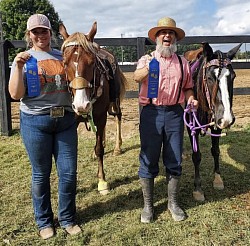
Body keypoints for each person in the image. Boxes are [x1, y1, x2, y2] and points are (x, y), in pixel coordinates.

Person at [8, 13, 81, 239]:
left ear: (50, 33)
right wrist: (18, 68)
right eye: (35, 31)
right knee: (41, 174)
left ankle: (67, 218)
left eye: (44, 30)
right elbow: (15, 94)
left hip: (65, 122)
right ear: (29, 35)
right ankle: (44, 221)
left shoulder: (63, 56)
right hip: (35, 122)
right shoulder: (23, 58)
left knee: (68, 174)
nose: (40, 35)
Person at [134, 17, 198, 223]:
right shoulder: (146, 59)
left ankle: (172, 203)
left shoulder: (182, 63)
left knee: (174, 158)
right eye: (163, 33)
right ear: (157, 38)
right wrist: (150, 67)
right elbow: (136, 77)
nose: (167, 36)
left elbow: (187, 87)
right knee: (148, 157)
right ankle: (148, 206)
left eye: (171, 33)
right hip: (151, 113)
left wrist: (191, 99)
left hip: (174, 114)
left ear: (175, 39)